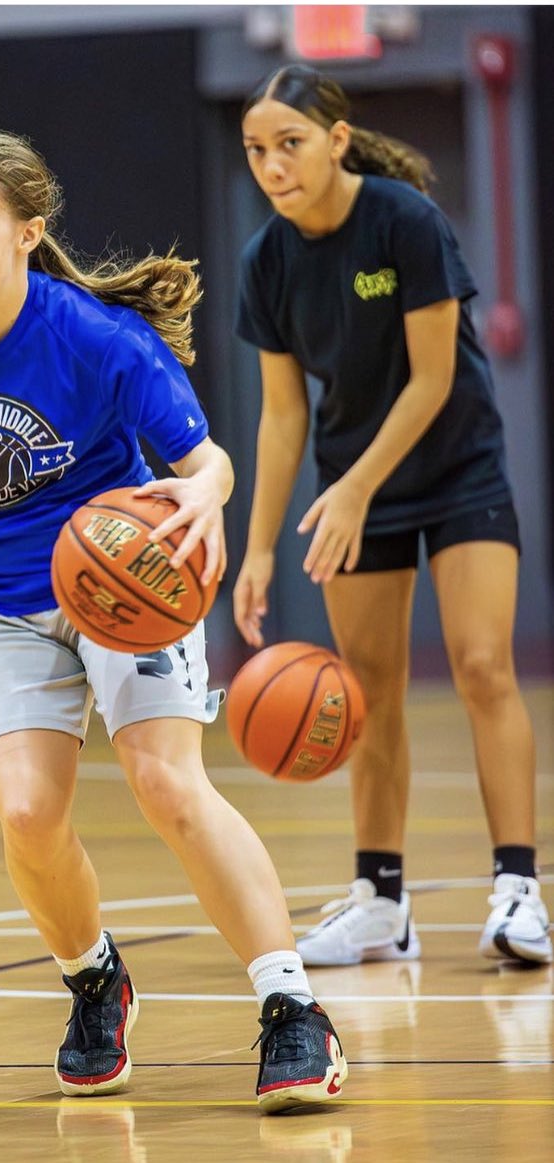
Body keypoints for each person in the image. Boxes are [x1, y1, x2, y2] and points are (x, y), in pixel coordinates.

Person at [0, 125, 347, 1110]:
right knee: (29, 815)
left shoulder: (97, 338)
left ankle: (293, 1005)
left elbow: (207, 461)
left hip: (129, 589)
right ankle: (95, 979)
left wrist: (204, 497)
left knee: (168, 783)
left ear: (27, 231)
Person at [233, 64, 550, 967]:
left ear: (335, 141)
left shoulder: (405, 221)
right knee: (364, 692)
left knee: (484, 665)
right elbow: (285, 414)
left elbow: (435, 376)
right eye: (256, 150)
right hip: (352, 482)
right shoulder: (267, 261)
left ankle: (519, 889)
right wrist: (255, 549)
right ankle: (381, 901)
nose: (271, 165)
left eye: (288, 144)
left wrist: (361, 486)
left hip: (455, 466)